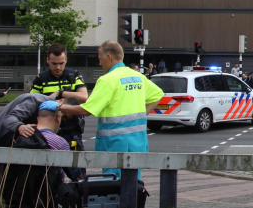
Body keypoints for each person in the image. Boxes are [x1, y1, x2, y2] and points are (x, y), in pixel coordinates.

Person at [59, 40, 163, 179]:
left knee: (114, 186)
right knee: (134, 184)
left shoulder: (107, 80)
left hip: (114, 145)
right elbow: (157, 94)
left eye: (100, 59)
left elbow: (87, 110)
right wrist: (143, 115)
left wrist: (59, 107)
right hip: (137, 142)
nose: (99, 63)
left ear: (109, 57)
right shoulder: (137, 76)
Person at [30, 43, 88, 158]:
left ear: (66, 60)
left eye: (61, 63)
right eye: (54, 63)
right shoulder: (40, 79)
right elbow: (32, 103)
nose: (58, 67)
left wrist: (60, 93)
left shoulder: (73, 75)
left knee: (78, 170)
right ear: (47, 61)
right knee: (51, 168)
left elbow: (84, 97)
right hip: (50, 130)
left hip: (72, 131)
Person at [35, 100, 75, 182]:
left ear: (37, 118)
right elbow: (73, 173)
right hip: (49, 190)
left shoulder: (23, 136)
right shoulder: (60, 142)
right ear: (57, 118)